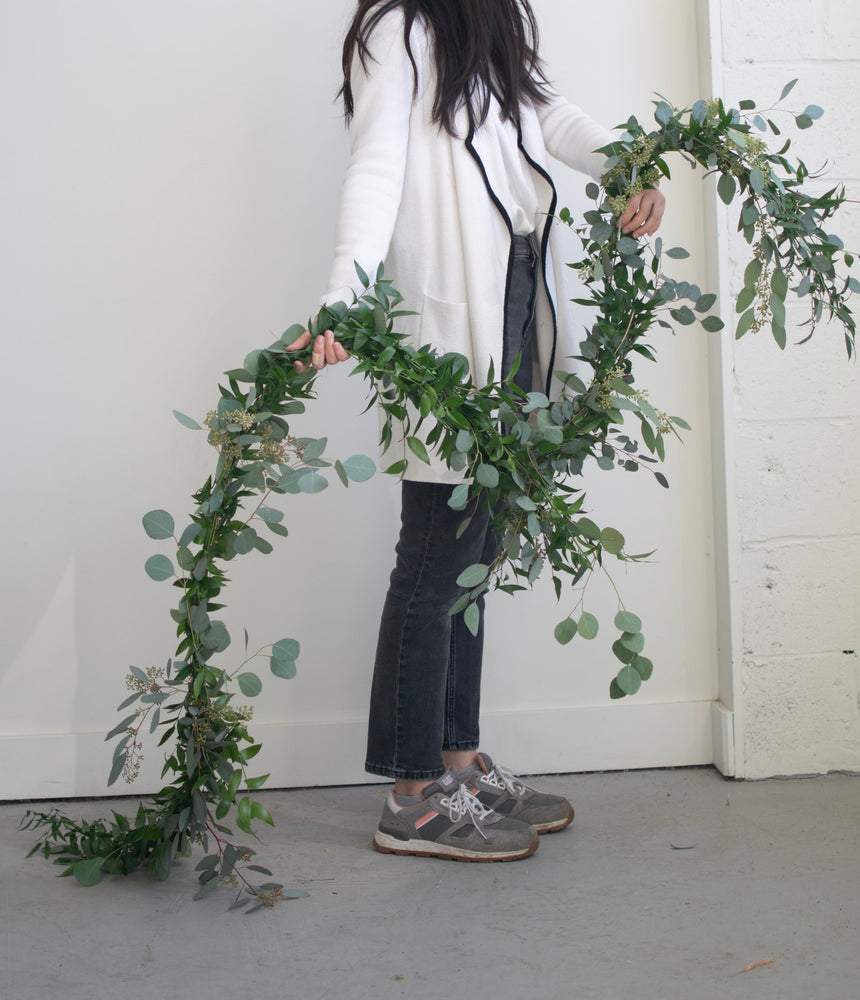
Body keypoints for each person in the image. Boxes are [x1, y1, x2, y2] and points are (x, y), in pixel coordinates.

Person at [288, 0, 665, 862]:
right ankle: (411, 793)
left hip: (513, 295)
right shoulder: (401, 28)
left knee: (474, 548)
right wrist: (344, 296)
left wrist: (630, 166)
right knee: (435, 553)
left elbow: (548, 113)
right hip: (451, 318)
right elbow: (376, 165)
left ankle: (458, 762)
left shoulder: (485, 20)